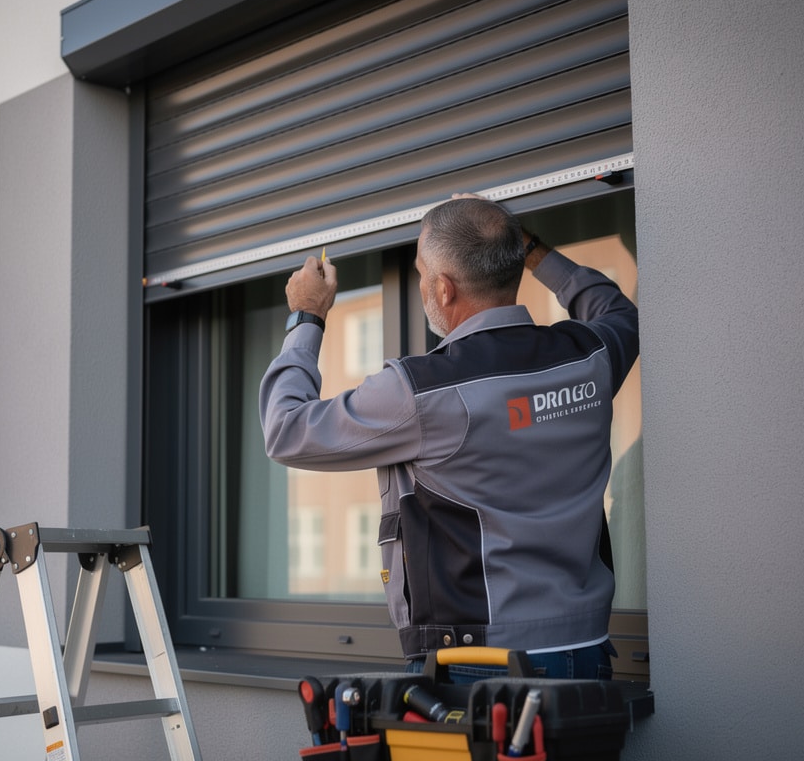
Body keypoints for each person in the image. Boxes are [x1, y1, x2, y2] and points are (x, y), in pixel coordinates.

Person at [259, 195, 639, 680]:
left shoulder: (421, 389)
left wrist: (306, 317)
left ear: (443, 289)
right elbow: (616, 310)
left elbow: (286, 430)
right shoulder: (591, 354)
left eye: (419, 273)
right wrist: (532, 249)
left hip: (481, 664)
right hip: (588, 649)